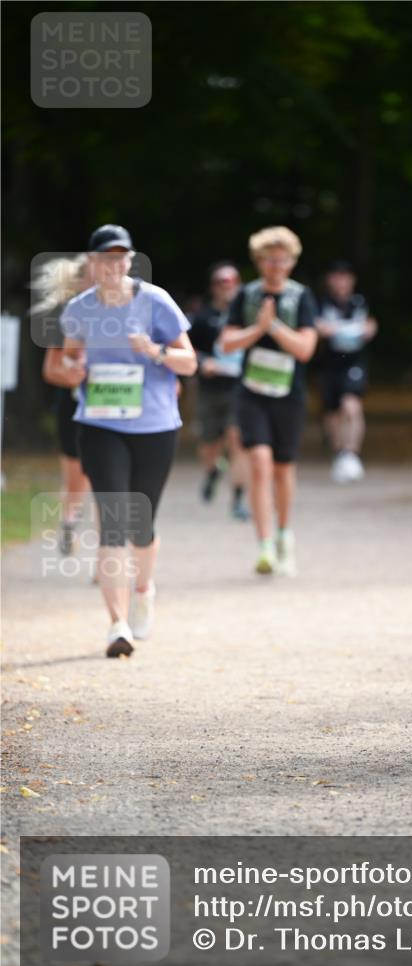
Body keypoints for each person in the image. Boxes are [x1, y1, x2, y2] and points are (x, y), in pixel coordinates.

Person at [60, 224, 197, 657]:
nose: (114, 265)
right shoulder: (79, 309)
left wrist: (154, 351)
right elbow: (66, 359)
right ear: (93, 262)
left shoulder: (155, 301)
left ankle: (143, 590)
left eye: (121, 257)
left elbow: (190, 362)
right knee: (115, 519)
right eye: (106, 257)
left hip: (154, 425)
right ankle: (117, 624)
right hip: (100, 425)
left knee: (142, 525)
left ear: (130, 261)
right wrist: (73, 370)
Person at [220, 226, 317, 576]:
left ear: (292, 261)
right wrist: (256, 329)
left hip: (289, 394)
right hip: (252, 392)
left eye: (283, 259)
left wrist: (272, 326)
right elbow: (227, 343)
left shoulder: (301, 297)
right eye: (269, 259)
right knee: (259, 461)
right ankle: (263, 546)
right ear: (259, 261)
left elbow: (306, 349)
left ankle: (283, 535)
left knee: (282, 468)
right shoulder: (246, 296)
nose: (276, 265)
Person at [33, 254, 93, 555]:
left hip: (114, 408)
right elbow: (50, 370)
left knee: (107, 480)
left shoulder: (123, 313)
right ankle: (69, 521)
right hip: (74, 407)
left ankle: (106, 552)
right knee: (75, 475)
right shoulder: (65, 318)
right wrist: (76, 378)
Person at [188, 262, 249, 518]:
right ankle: (213, 472)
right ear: (213, 288)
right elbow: (186, 349)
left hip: (241, 388)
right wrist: (203, 363)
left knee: (238, 441)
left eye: (231, 283)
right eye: (221, 284)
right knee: (208, 444)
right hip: (211, 388)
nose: (226, 289)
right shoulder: (201, 317)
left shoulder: (249, 315)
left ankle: (238, 499)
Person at [316, 261, 378, 483]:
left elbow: (370, 325)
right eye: (337, 276)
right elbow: (317, 328)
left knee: (351, 406)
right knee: (332, 414)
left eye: (345, 276)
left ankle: (351, 454)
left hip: (354, 361)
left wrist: (369, 330)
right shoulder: (321, 303)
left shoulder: (359, 302)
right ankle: (340, 454)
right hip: (329, 363)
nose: (341, 281)